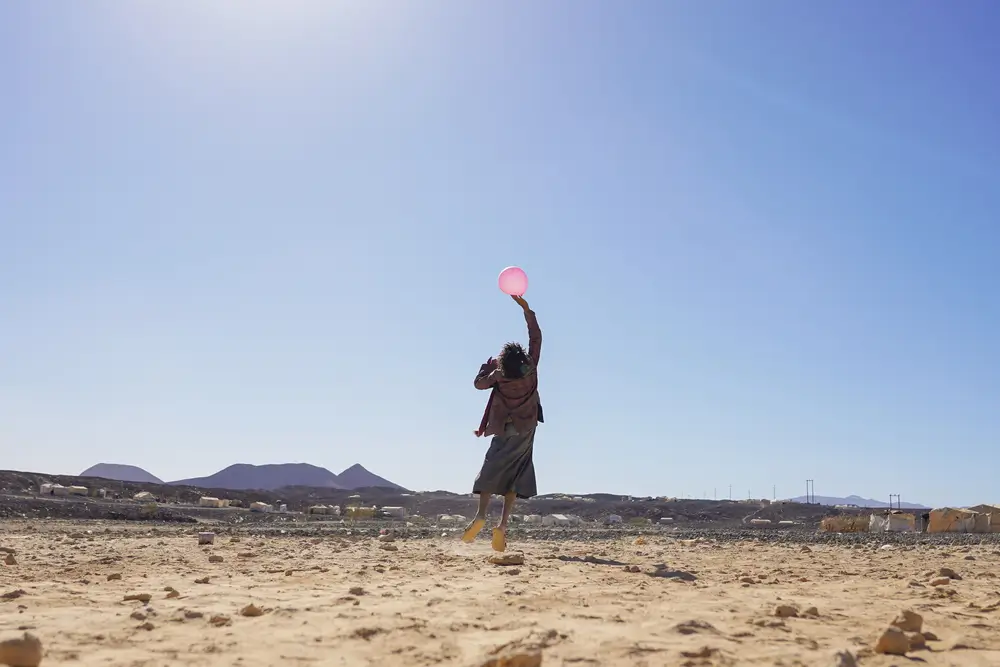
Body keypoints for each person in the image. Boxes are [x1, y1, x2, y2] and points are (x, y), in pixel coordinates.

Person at [463, 294, 542, 552]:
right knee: (516, 477)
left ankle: (480, 516)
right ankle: (502, 526)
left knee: (490, 470)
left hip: (504, 427)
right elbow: (536, 337)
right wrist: (526, 309)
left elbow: (478, 384)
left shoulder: (499, 376)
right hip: (526, 429)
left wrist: (487, 370)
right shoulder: (531, 368)